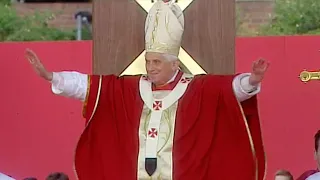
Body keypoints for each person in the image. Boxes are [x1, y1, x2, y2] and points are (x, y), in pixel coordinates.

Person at [25, 1, 269, 179]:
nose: (150, 68)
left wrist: (253, 80)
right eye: (149, 61)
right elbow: (86, 86)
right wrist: (51, 77)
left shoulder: (197, 89)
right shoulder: (130, 89)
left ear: (174, 63)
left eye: (157, 62)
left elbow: (231, 89)